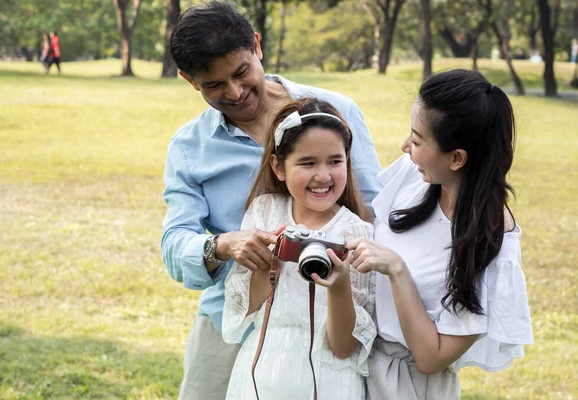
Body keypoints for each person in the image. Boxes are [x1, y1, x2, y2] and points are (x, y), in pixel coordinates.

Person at [162, 2, 382, 399]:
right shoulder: (188, 148)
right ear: (188, 80)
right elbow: (175, 244)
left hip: (331, 324)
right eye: (213, 85)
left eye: (241, 71)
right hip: (234, 319)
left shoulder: (337, 112)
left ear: (257, 46)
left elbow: (376, 210)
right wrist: (222, 245)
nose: (234, 92)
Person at [340, 69, 533, 399]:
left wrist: (397, 270)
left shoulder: (488, 241)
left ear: (457, 158)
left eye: (416, 140)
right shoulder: (417, 176)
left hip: (409, 386)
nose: (404, 146)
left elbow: (432, 357)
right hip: (355, 367)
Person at [222, 98, 377, 399]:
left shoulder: (358, 234)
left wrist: (340, 286)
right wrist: (266, 264)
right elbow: (247, 310)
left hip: (330, 379)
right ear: (279, 167)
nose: (323, 175)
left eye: (335, 161)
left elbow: (344, 348)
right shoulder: (264, 213)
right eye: (308, 163)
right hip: (261, 373)